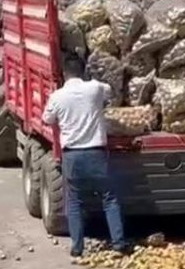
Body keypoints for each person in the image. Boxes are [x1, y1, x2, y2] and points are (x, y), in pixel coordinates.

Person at [41, 54, 128, 256]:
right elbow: (110, 92)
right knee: (109, 199)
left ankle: (77, 247)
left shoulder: (58, 96)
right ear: (84, 71)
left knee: (74, 201)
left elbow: (47, 119)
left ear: (64, 74)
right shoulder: (95, 88)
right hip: (96, 153)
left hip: (72, 156)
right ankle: (118, 243)